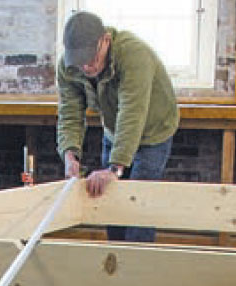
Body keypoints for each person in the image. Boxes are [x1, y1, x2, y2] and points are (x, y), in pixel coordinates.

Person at [57, 11, 180, 244]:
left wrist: (114, 169)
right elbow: (69, 113)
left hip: (153, 130)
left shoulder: (134, 54)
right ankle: (114, 263)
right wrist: (69, 154)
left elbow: (132, 113)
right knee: (110, 204)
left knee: (137, 207)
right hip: (114, 130)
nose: (87, 66)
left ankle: (136, 266)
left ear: (105, 40)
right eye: (80, 60)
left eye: (92, 57)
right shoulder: (69, 66)